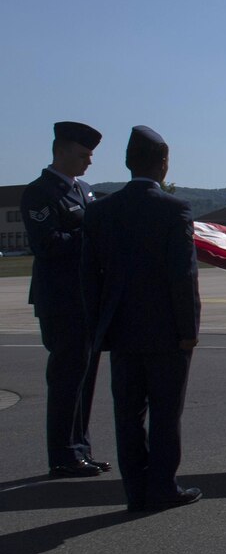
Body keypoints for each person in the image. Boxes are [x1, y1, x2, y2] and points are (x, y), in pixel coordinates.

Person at [81, 126, 203, 513]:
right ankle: (163, 485)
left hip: (120, 331)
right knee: (166, 412)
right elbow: (182, 276)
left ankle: (135, 489)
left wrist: (98, 329)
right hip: (167, 331)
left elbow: (89, 276)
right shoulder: (174, 210)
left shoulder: (100, 211)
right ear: (163, 163)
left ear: (128, 163)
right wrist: (189, 330)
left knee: (128, 413)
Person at [23, 121, 110, 478]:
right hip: (60, 300)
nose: (88, 162)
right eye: (82, 154)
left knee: (84, 378)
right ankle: (63, 455)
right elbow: (46, 245)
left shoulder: (85, 191)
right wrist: (90, 235)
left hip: (86, 298)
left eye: (91, 156)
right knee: (66, 379)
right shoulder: (39, 192)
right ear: (61, 151)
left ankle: (80, 450)